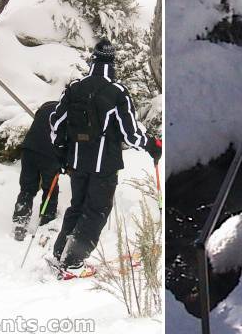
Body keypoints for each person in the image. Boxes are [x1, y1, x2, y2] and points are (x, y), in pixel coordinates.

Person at [47, 38, 162, 278]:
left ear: (93, 60)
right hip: (104, 165)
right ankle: (74, 263)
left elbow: (56, 122)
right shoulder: (117, 92)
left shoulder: (75, 88)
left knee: (77, 207)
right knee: (96, 211)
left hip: (76, 162)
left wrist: (60, 150)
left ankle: (60, 254)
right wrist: (151, 145)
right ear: (113, 62)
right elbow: (130, 134)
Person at [12, 101, 67, 241]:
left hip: (29, 150)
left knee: (27, 188)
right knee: (50, 190)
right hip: (50, 155)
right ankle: (46, 222)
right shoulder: (68, 113)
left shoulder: (46, 107)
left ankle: (20, 223)